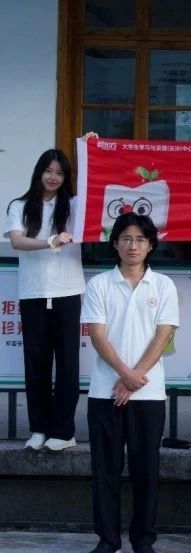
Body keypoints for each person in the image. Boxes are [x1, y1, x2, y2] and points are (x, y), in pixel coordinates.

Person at [80, 212, 179, 553]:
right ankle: (108, 540)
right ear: (115, 244)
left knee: (146, 471)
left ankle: (143, 541)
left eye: (140, 239)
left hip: (148, 395)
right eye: (126, 239)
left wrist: (133, 379)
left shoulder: (163, 285)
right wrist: (125, 374)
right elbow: (97, 335)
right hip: (104, 392)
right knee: (105, 470)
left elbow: (163, 336)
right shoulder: (99, 284)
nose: (133, 245)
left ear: (150, 245)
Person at [4, 148, 85, 451]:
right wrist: (50, 241)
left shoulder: (74, 205)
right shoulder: (20, 206)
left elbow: (96, 186)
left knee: (67, 365)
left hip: (67, 291)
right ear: (39, 172)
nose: (53, 177)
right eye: (48, 171)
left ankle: (64, 432)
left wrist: (89, 149)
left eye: (60, 173)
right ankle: (39, 428)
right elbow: (16, 241)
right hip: (33, 293)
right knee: (36, 363)